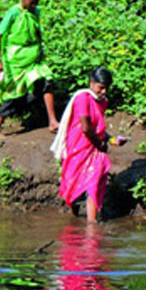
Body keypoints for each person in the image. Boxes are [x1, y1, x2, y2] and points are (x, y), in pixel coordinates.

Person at [50, 67, 128, 223]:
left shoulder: (102, 102)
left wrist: (112, 140)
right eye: (101, 87)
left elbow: (97, 128)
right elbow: (86, 127)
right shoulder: (83, 98)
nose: (104, 91)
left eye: (106, 88)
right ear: (92, 83)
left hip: (93, 147)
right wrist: (100, 144)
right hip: (78, 146)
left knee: (95, 180)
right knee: (73, 183)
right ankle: (75, 219)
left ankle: (91, 223)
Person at [0, 0, 60, 139]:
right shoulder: (13, 13)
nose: (34, 4)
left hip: (33, 56)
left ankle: (53, 121)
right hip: (16, 59)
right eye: (31, 1)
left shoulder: (36, 11)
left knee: (46, 81)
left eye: (36, 1)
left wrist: (41, 50)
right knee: (14, 94)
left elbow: (37, 32)